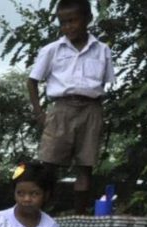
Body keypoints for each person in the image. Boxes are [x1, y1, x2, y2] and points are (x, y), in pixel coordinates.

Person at [27, 0, 114, 215]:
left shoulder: (102, 50)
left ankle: (79, 214)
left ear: (88, 19)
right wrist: (39, 113)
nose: (68, 27)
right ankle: (43, 214)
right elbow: (32, 81)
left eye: (73, 21)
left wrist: (97, 110)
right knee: (49, 164)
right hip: (61, 108)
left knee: (85, 166)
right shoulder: (52, 50)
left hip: (91, 108)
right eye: (63, 22)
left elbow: (106, 82)